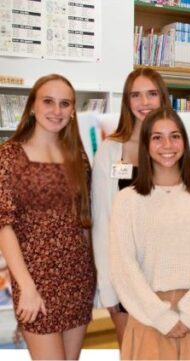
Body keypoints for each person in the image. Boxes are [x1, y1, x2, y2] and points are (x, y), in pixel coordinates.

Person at [109, 108, 190, 359]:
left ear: (184, 142)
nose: (167, 145)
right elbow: (123, 266)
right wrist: (161, 317)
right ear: (146, 144)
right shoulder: (127, 200)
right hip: (147, 317)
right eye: (157, 137)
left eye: (175, 136)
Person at [0, 74, 94, 359]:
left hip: (77, 277)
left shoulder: (77, 155)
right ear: (32, 106)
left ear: (73, 110)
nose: (57, 111)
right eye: (48, 101)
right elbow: (4, 225)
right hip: (35, 280)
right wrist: (26, 286)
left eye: (65, 103)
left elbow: (84, 220)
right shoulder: (9, 156)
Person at [92, 67, 172, 343]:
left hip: (170, 279)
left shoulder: (174, 147)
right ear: (127, 101)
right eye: (136, 95)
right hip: (125, 279)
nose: (145, 102)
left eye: (152, 94)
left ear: (163, 98)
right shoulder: (111, 150)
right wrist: (108, 287)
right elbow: (102, 222)